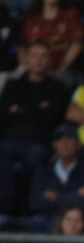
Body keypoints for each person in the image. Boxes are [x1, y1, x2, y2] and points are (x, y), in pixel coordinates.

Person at [0, 41, 70, 171]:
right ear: (27, 59)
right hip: (9, 138)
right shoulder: (12, 85)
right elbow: (3, 115)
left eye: (43, 56)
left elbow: (53, 118)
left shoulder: (58, 88)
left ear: (49, 60)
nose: (38, 61)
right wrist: (38, 109)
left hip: (39, 141)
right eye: (34, 56)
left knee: (35, 156)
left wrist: (19, 110)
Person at [19, 124, 84, 232]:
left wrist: (55, 196)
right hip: (45, 222)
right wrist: (74, 196)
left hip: (77, 224)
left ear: (78, 144)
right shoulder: (43, 171)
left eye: (69, 139)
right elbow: (36, 203)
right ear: (54, 144)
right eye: (59, 140)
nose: (64, 144)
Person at [19, 0, 83, 82]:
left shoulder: (70, 15)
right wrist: (28, 66)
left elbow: (76, 45)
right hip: (33, 69)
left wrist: (61, 68)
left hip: (61, 70)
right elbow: (23, 47)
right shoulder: (31, 19)